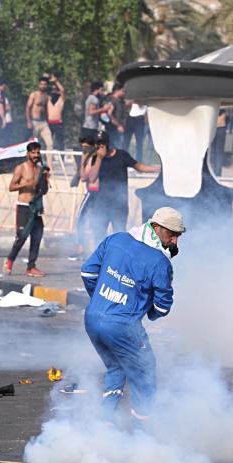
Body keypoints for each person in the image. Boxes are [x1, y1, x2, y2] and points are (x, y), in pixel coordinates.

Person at [80, 206, 182, 421]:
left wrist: (101, 298)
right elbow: (163, 307)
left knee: (116, 367)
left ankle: (104, 422)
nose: (174, 242)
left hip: (92, 319)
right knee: (145, 371)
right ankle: (143, 431)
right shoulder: (160, 262)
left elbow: (87, 272)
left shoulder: (116, 239)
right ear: (156, 228)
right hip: (123, 327)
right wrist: (148, 313)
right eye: (171, 234)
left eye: (177, 236)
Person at [80, 131, 160, 240]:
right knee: (99, 235)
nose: (100, 147)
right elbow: (92, 178)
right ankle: (101, 256)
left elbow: (139, 167)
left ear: (108, 143)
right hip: (102, 203)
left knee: (119, 233)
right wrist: (99, 158)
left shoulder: (122, 155)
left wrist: (158, 168)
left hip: (119, 204)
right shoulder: (96, 158)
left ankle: (117, 256)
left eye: (102, 144)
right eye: (97, 144)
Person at [4, 142, 50, 276]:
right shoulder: (21, 168)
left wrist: (45, 179)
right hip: (24, 207)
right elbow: (11, 187)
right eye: (33, 152)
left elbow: (43, 191)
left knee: (38, 235)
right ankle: (9, 261)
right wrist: (26, 184)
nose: (36, 155)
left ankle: (31, 267)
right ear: (28, 153)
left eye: (38, 152)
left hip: (36, 207)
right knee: (22, 237)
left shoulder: (40, 169)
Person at [26, 75, 53, 149]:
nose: (43, 86)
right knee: (33, 144)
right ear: (39, 85)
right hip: (35, 122)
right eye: (41, 84)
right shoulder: (34, 95)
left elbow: (47, 110)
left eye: (44, 85)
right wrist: (29, 121)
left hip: (44, 123)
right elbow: (28, 107)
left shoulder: (47, 96)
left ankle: (49, 160)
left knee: (50, 144)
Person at [47, 75, 65, 150]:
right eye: (53, 89)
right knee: (48, 142)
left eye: (56, 89)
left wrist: (56, 81)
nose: (54, 91)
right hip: (49, 122)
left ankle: (62, 158)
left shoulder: (61, 99)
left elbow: (63, 90)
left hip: (57, 123)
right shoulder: (48, 98)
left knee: (60, 141)